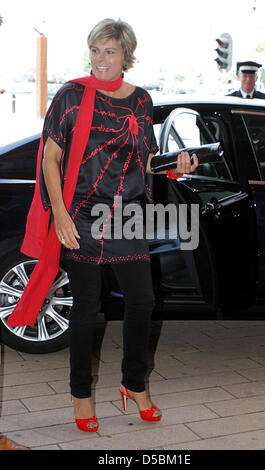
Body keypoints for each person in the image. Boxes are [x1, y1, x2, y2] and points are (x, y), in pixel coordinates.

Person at [7, 18, 198, 433]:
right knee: (87, 308)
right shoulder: (72, 97)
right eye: (95, 50)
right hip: (82, 215)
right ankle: (81, 394)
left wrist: (176, 166)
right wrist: (58, 212)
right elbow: (50, 159)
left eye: (109, 51)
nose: (100, 59)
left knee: (143, 300)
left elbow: (145, 158)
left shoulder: (141, 101)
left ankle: (134, 384)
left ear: (126, 55)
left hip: (127, 214)